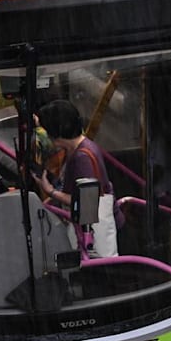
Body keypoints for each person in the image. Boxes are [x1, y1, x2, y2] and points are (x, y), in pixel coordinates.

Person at [32, 99, 119, 258]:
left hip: (89, 238)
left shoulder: (82, 158)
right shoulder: (81, 148)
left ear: (56, 133)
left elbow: (86, 203)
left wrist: (50, 191)